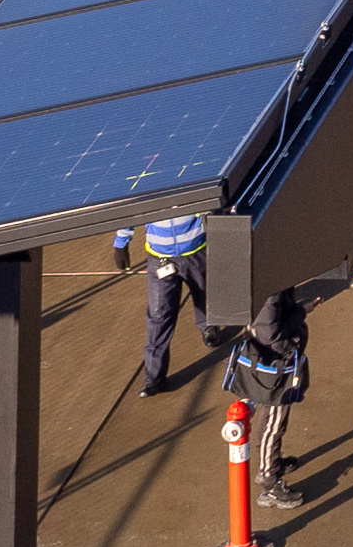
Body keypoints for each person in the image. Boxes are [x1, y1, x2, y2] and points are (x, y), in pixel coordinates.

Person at [223, 288, 315, 516]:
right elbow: (268, 333)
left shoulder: (272, 284)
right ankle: (269, 481)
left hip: (272, 369)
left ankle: (271, 462)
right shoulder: (270, 292)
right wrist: (300, 313)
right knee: (273, 426)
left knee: (272, 423)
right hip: (274, 373)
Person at [134, 206, 209, 394]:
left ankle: (209, 327)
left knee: (206, 294)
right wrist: (121, 241)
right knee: (159, 316)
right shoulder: (146, 179)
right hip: (161, 258)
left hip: (196, 250)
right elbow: (130, 206)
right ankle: (154, 378)